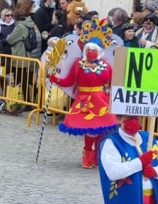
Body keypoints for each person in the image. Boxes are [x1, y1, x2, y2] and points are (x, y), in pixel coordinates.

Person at [50, 20, 118, 168]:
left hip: (103, 100)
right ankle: (87, 155)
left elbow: (113, 83)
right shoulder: (79, 64)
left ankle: (99, 157)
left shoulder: (106, 65)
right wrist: (55, 78)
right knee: (90, 130)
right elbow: (69, 81)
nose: (90, 52)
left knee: (102, 128)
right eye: (88, 49)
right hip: (85, 100)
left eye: (94, 49)